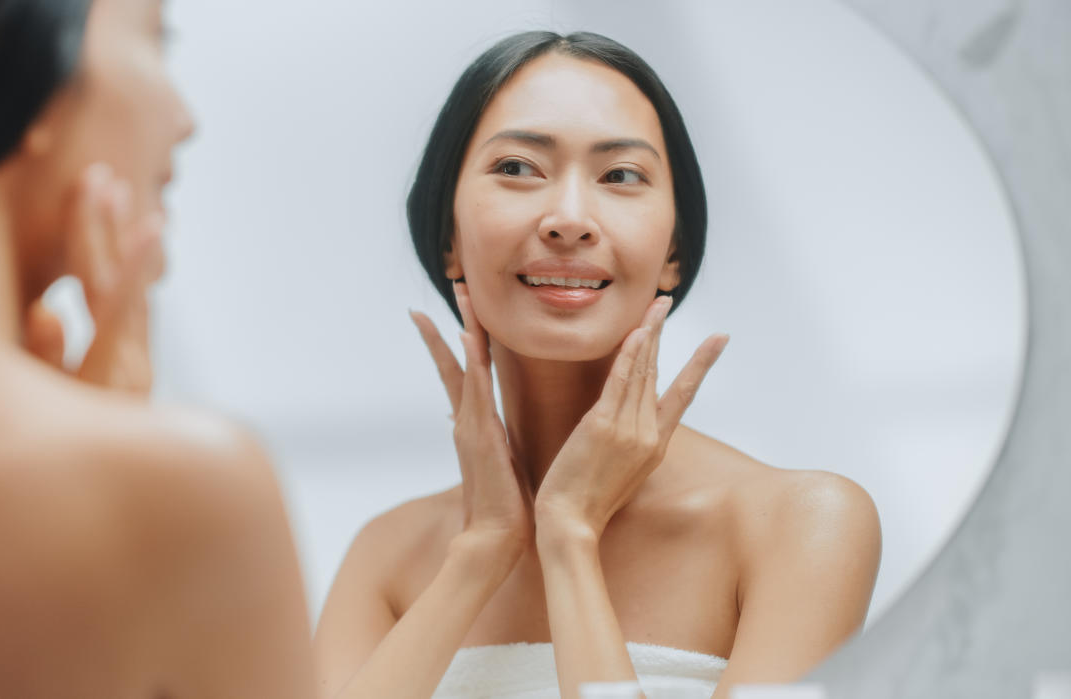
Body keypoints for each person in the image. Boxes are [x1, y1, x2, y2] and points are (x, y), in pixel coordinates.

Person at [313, 31, 881, 699]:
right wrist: (481, 552)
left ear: (674, 249)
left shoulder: (803, 523)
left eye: (620, 176)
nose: (570, 219)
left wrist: (570, 536)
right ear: (448, 239)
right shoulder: (388, 556)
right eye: (519, 168)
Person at [0, 1, 313, 696]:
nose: (185, 119)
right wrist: (125, 498)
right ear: (25, 64)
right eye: (156, 39)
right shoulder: (191, 492)